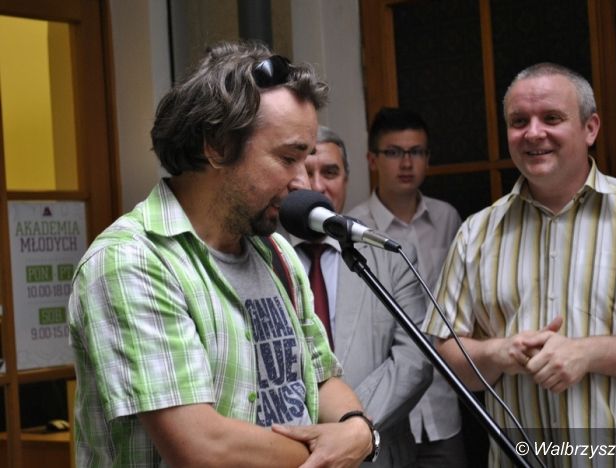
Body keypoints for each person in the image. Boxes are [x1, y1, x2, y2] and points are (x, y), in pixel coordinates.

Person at [68, 41, 377, 467]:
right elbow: (203, 446)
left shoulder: (277, 253)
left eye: (306, 161)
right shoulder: (132, 261)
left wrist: (357, 428)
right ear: (216, 145)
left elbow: (321, 376)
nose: (303, 183)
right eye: (288, 158)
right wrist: (335, 449)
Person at [422, 62, 616, 466]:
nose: (533, 133)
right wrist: (498, 353)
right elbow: (448, 356)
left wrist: (589, 353)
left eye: (552, 118)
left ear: (590, 128)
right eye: (519, 121)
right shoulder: (475, 234)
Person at [289, 125, 433, 467]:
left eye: (330, 172)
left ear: (347, 180)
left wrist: (350, 426)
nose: (318, 186)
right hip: (290, 451)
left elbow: (415, 360)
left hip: (376, 452)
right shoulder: (264, 256)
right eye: (307, 173)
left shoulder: (388, 256)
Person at [347, 108, 465, 467]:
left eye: (416, 152)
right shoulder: (352, 229)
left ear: (428, 158)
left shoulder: (447, 218)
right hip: (383, 411)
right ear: (372, 159)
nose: (406, 163)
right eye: (394, 152)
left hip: (443, 406)